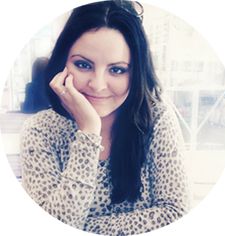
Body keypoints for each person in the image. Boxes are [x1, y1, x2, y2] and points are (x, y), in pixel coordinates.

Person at [20, 1, 190, 235]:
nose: (98, 85)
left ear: (136, 72)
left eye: (117, 69)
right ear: (62, 63)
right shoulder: (40, 130)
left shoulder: (156, 118)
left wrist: (85, 226)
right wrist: (89, 131)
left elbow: (175, 212)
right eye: (83, 65)